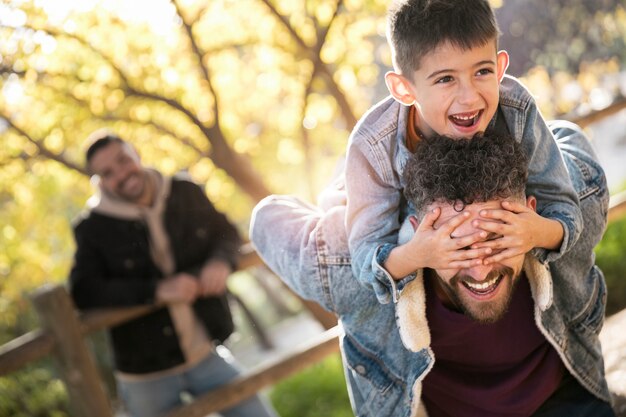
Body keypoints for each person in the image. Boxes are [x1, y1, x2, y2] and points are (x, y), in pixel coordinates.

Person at [250, 123, 614, 417]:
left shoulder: (562, 214)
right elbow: (266, 218)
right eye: (458, 244)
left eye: (496, 237)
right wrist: (350, 202)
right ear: (416, 229)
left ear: (530, 212)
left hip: (568, 402)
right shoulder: (361, 269)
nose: (480, 265)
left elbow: (567, 134)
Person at [345, 0, 584, 307]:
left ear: (499, 68)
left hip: (544, 159)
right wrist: (417, 255)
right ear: (405, 89)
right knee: (358, 245)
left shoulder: (517, 109)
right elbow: (365, 256)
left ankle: (568, 137)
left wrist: (536, 231)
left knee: (583, 186)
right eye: (445, 79)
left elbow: (561, 205)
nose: (469, 97)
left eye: (482, 71)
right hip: (388, 201)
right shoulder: (373, 146)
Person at [69, 131, 278, 417]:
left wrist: (220, 261)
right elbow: (84, 291)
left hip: (204, 353)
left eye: (123, 159)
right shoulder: (91, 229)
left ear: (136, 153)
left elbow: (227, 233)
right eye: (108, 172)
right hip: (145, 374)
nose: (121, 173)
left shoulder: (185, 192)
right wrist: (156, 290)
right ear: (100, 182)